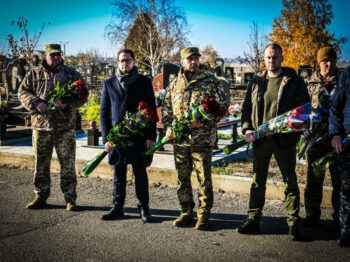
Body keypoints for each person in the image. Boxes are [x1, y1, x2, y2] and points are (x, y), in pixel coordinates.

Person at [238, 43, 310, 240]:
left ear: (282, 58)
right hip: (261, 140)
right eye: (268, 57)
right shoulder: (256, 81)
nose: (271, 61)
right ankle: (253, 219)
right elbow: (246, 109)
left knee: (290, 181)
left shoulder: (294, 81)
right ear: (265, 58)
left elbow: (303, 112)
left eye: (275, 57)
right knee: (257, 182)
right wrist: (247, 129)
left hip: (283, 141)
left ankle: (293, 222)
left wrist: (292, 130)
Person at [162, 47, 228, 230]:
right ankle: (186, 212)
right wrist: (168, 126)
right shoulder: (175, 83)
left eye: (196, 58)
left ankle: (203, 215)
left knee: (204, 179)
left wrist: (207, 121)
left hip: (202, 139)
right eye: (189, 59)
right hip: (181, 141)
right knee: (183, 178)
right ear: (182, 62)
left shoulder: (210, 80)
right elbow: (166, 106)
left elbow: (222, 106)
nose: (194, 61)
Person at [18, 44, 86, 211]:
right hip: (41, 127)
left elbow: (83, 93)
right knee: (41, 164)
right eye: (52, 55)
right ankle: (40, 196)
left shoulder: (71, 73)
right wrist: (35, 103)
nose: (56, 57)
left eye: (58, 55)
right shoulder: (34, 73)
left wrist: (68, 104)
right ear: (45, 56)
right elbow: (22, 91)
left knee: (67, 164)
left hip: (65, 127)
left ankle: (70, 198)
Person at [100, 49, 156, 223]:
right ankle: (117, 207)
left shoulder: (144, 82)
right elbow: (104, 113)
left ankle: (144, 207)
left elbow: (152, 110)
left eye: (128, 61)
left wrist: (150, 137)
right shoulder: (108, 83)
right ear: (118, 62)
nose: (125, 64)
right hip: (117, 139)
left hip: (138, 137)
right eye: (122, 61)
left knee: (140, 174)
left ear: (134, 62)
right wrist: (106, 139)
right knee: (119, 174)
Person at [302, 46, 340, 229]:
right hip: (315, 139)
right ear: (319, 62)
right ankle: (312, 216)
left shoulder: (343, 82)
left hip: (338, 141)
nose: (329, 64)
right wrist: (304, 129)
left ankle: (340, 216)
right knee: (314, 180)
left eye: (332, 60)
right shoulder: (309, 83)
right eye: (325, 60)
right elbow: (301, 109)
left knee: (339, 180)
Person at [329, 65, 350, 247]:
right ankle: (346, 230)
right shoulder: (347, 75)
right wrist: (335, 133)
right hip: (347, 140)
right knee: (347, 188)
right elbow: (335, 107)